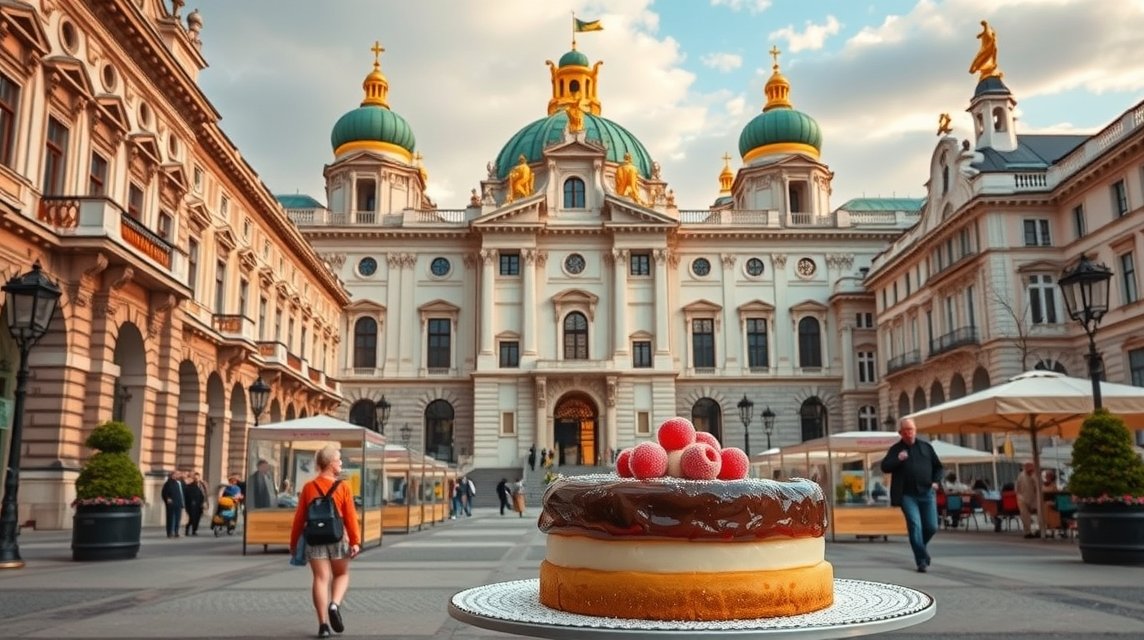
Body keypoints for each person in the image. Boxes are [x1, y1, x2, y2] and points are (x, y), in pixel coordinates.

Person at [289, 444, 361, 639]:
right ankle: (334, 604)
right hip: (337, 537)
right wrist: (355, 541)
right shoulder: (343, 487)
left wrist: (294, 543)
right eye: (338, 460)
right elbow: (350, 517)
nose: (340, 463)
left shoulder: (308, 487)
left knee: (320, 578)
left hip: (314, 539)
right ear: (330, 464)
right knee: (341, 574)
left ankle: (323, 625)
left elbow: (299, 518)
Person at [880, 418, 943, 573]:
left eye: (912, 429)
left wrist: (936, 481)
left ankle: (920, 548)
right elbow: (885, 467)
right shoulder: (896, 449)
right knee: (915, 526)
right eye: (906, 430)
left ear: (915, 430)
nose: (909, 433)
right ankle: (921, 560)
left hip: (927, 493)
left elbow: (939, 467)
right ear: (900, 433)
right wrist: (898, 459)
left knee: (931, 526)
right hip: (907, 495)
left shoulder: (926, 447)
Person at [1015, 461, 1039, 539]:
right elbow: (1017, 488)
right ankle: (1027, 532)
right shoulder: (1021, 476)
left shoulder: (1034, 476)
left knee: (1038, 515)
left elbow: (1037, 487)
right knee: (1025, 516)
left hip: (1032, 498)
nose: (1030, 469)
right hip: (1022, 498)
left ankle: (1039, 530)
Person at [161, 470, 185, 538]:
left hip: (178, 503)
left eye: (177, 474)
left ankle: (176, 532)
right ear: (171, 475)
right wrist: (167, 498)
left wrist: (182, 503)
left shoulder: (178, 483)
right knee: (171, 519)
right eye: (175, 474)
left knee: (178, 519)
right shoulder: (167, 483)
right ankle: (169, 533)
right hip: (171, 504)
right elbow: (164, 493)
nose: (177, 475)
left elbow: (181, 493)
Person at [183, 470, 206, 536]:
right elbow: (188, 495)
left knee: (198, 518)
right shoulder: (190, 486)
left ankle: (194, 530)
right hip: (192, 505)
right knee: (192, 518)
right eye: (195, 478)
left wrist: (204, 503)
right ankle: (187, 529)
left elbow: (204, 494)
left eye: (198, 478)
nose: (197, 479)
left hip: (200, 504)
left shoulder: (202, 485)